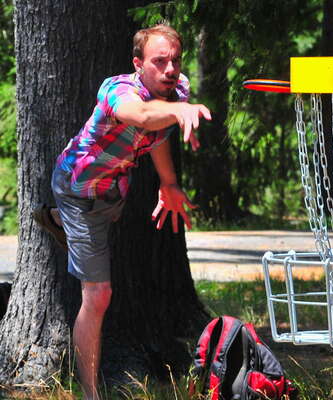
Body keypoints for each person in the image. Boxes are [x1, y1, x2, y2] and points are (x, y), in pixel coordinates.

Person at [34, 24, 211, 400]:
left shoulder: (177, 91)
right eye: (159, 61)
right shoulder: (117, 90)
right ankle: (90, 394)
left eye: (176, 60)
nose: (170, 69)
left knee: (102, 225)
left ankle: (62, 225)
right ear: (138, 64)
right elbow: (143, 116)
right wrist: (178, 111)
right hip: (78, 189)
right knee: (98, 295)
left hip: (113, 192)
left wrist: (169, 183)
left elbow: (157, 134)